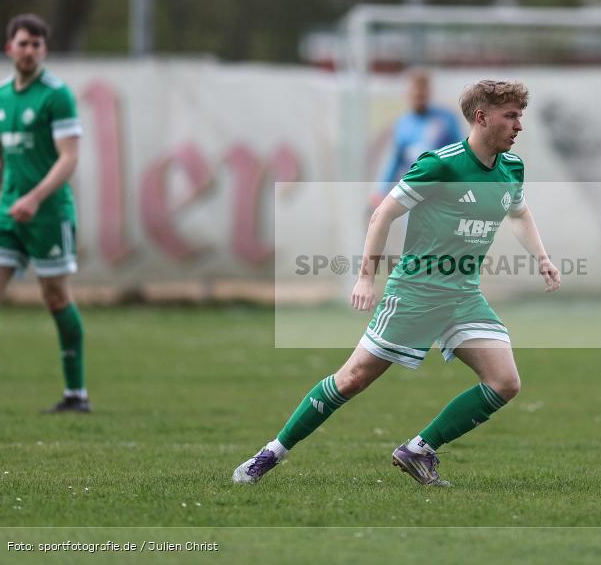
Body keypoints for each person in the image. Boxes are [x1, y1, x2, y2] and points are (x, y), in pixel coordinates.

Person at [234, 80, 560, 486]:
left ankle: (419, 449)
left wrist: (542, 258)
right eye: (510, 116)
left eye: (519, 116)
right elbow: (382, 216)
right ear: (482, 117)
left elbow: (518, 214)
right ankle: (269, 455)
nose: (518, 126)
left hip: (463, 295)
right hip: (416, 292)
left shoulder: (512, 168)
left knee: (505, 382)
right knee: (352, 378)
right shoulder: (440, 165)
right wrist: (366, 277)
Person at [0, 14, 88, 413]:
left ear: (43, 50)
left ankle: (76, 394)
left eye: (36, 44)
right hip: (7, 213)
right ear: (9, 48)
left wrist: (35, 197)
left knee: (55, 297)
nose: (29, 50)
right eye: (23, 43)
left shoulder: (57, 95)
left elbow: (69, 158)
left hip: (48, 213)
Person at [369, 69, 462, 208]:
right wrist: (381, 191)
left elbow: (461, 153)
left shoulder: (446, 119)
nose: (418, 97)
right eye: (415, 94)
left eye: (422, 94)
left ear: (429, 93)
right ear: (407, 93)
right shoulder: (402, 124)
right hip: (414, 196)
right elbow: (396, 160)